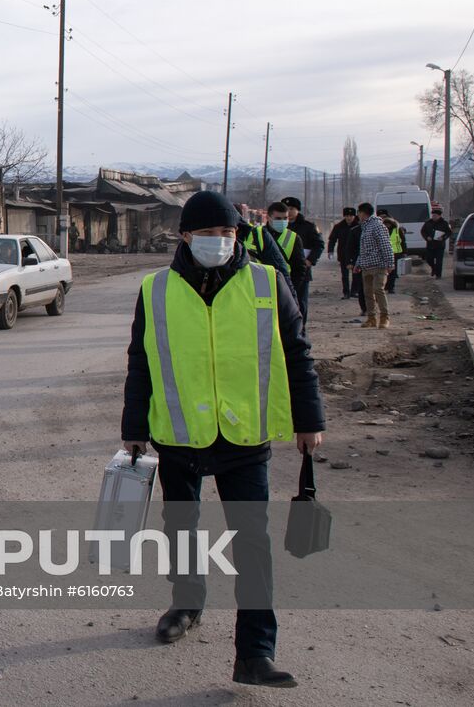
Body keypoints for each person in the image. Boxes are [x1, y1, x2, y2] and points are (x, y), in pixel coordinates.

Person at [123, 191, 325, 688]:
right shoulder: (156, 289)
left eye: (228, 233)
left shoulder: (267, 282)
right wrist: (133, 429)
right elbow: (141, 361)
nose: (219, 241)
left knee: (252, 542)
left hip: (243, 436)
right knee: (181, 527)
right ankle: (187, 603)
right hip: (180, 435)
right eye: (208, 234)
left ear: (239, 235)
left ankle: (256, 652)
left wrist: (309, 420)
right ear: (186, 236)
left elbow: (298, 353)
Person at [282, 197, 324, 323]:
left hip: (301, 270)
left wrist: (310, 260)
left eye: (291, 209)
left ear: (298, 210)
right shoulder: (278, 227)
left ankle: (301, 328)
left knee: (300, 302)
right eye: (286, 209)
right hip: (282, 270)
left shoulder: (308, 227)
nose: (289, 212)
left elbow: (319, 245)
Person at [352, 203, 393, 328]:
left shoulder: (377, 226)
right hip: (366, 266)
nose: (357, 215)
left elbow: (385, 245)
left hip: (379, 265)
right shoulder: (365, 227)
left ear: (363, 213)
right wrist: (358, 264)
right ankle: (371, 318)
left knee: (378, 290)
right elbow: (363, 249)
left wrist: (390, 263)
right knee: (368, 293)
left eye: (358, 212)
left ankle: (384, 317)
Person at [327, 207, 358, 298]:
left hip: (356, 253)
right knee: (345, 275)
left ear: (354, 216)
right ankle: (346, 292)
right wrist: (330, 251)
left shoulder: (359, 226)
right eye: (347, 216)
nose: (349, 218)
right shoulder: (339, 226)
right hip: (343, 253)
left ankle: (354, 291)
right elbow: (332, 239)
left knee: (356, 274)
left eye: (351, 216)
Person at [378, 210, 407, 294]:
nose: (387, 226)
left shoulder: (397, 230)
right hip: (383, 254)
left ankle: (391, 287)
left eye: (388, 224)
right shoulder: (380, 230)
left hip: (395, 253)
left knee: (393, 272)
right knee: (384, 271)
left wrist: (404, 252)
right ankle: (386, 286)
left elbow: (403, 241)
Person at [420, 206, 453, 279]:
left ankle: (438, 275)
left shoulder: (444, 223)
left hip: (439, 245)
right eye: (433, 215)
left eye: (435, 216)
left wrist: (443, 237)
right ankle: (434, 268)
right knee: (429, 259)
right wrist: (426, 237)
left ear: (439, 216)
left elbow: (449, 232)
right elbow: (423, 231)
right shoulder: (428, 223)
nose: (434, 217)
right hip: (430, 245)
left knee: (439, 261)